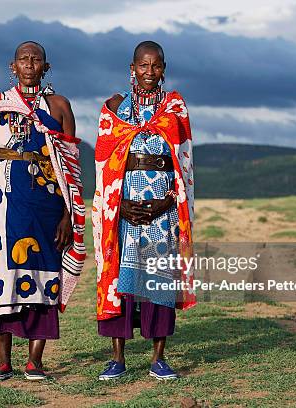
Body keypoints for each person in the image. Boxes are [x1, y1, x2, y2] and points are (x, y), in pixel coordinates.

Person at [0, 41, 85, 381]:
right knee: (0, 279)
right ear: (13, 65)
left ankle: (35, 362)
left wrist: (69, 215)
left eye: (36, 59)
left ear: (45, 67)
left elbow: (71, 168)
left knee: (42, 278)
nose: (29, 63)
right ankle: (2, 362)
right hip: (0, 206)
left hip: (47, 208)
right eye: (24, 58)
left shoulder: (60, 105)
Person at [92, 40, 196, 381]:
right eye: (143, 66)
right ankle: (117, 359)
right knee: (120, 280)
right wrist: (117, 203)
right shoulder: (114, 108)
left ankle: (158, 359)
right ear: (132, 68)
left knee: (159, 282)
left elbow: (184, 163)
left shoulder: (175, 107)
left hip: (163, 212)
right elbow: (104, 164)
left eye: (156, 66)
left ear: (163, 68)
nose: (149, 72)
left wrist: (169, 202)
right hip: (122, 211)